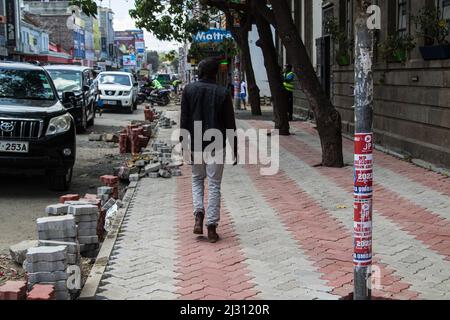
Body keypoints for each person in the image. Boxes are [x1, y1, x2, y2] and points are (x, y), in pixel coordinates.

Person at [180, 57, 238, 243]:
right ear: (216, 73)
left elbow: (184, 120)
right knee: (214, 184)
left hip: (196, 142)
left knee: (197, 180)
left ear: (200, 72)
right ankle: (212, 228)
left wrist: (184, 146)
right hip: (216, 143)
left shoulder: (189, 90)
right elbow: (230, 124)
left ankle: (198, 216)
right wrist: (234, 148)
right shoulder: (222, 92)